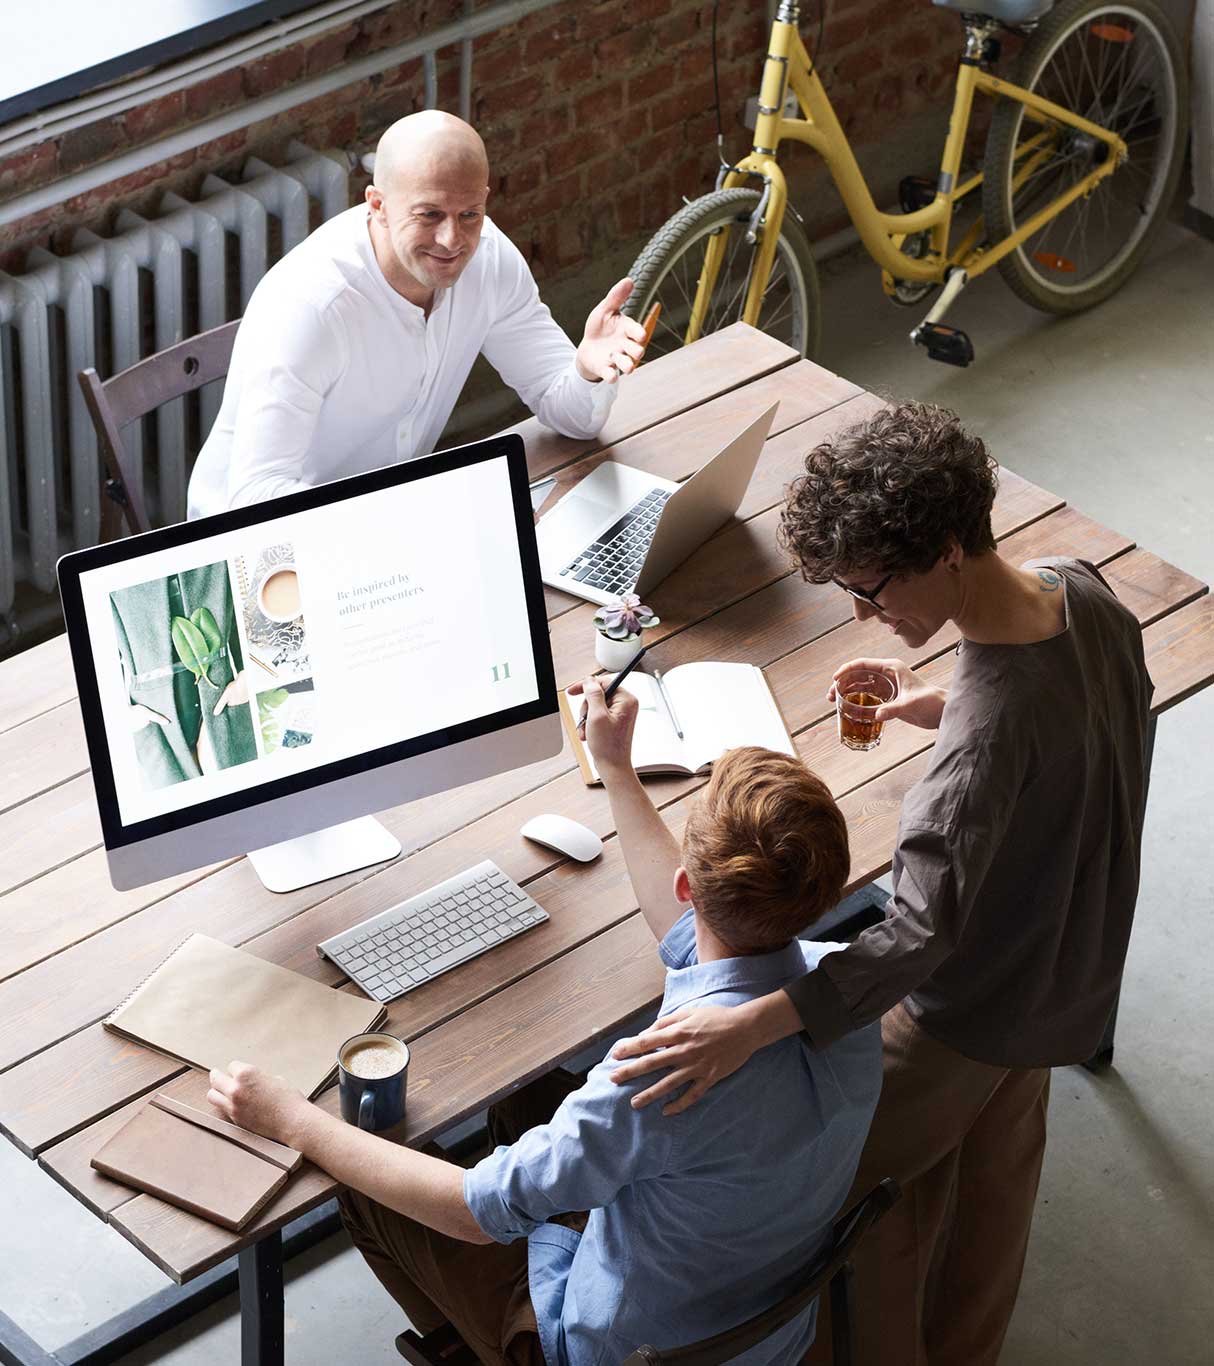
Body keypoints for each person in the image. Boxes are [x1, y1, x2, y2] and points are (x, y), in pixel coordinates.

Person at [605, 401, 1155, 1365]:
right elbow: (1079, 707)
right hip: (1064, 972)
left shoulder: (978, 756)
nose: (865, 613)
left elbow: (913, 936)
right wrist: (943, 703)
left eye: (869, 588)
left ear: (946, 550)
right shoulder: (1080, 589)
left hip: (966, 1010)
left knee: (850, 1201)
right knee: (993, 1202)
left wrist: (751, 1025)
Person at [207, 693, 881, 1364]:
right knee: (522, 1100)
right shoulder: (851, 990)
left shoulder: (655, 1077)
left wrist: (291, 1118)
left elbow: (472, 1210)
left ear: (686, 885)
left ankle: (490, 1347)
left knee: (364, 1186)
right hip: (758, 1326)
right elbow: (693, 935)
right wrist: (615, 769)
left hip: (612, 1348)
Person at [187, 111, 647, 518]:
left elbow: (573, 418)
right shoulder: (312, 307)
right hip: (258, 549)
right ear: (378, 206)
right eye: (429, 215)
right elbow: (257, 501)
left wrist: (587, 371)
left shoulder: (489, 261)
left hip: (390, 522)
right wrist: (410, 526)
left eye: (470, 214)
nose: (452, 240)